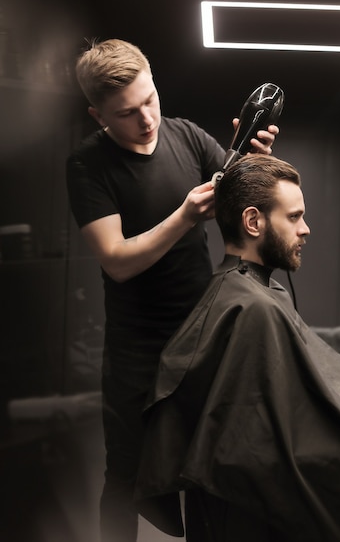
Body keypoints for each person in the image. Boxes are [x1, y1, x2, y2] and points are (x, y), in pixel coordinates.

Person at [134, 154, 340, 542]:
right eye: (294, 217)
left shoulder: (255, 294)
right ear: (254, 221)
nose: (306, 229)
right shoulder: (251, 307)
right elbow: (258, 448)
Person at [65, 38, 278, 542]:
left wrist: (252, 158)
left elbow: (238, 194)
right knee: (124, 476)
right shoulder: (87, 165)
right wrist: (184, 216)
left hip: (199, 335)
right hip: (136, 349)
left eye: (150, 99)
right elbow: (116, 261)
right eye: (126, 113)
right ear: (98, 115)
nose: (146, 120)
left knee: (208, 465)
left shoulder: (184, 136)